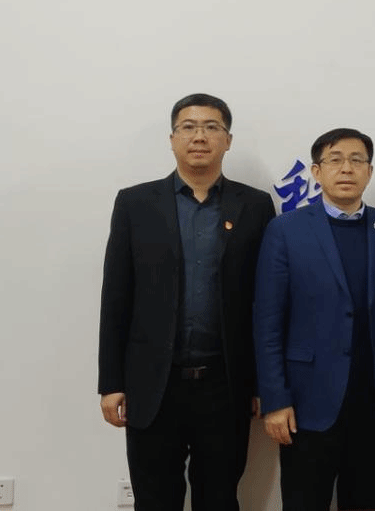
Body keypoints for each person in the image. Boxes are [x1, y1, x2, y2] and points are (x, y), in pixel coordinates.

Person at [97, 93, 276, 511]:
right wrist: (111, 382)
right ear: (172, 138)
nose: (200, 136)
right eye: (189, 127)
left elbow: (264, 302)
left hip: (225, 384)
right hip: (153, 385)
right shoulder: (135, 203)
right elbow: (116, 295)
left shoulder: (255, 205)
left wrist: (261, 383)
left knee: (220, 497)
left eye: (212, 127)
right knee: (154, 500)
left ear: (228, 140)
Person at [253, 128, 375, 510]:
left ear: (369, 171)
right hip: (306, 404)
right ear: (316, 171)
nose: (347, 168)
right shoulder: (285, 231)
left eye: (357, 160)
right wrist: (275, 399)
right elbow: (268, 322)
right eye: (335, 159)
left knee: (367, 501)